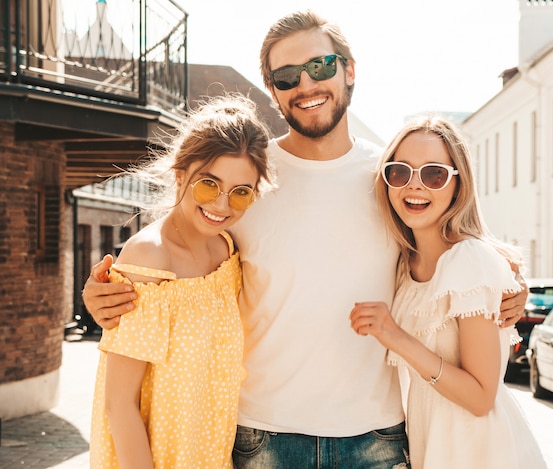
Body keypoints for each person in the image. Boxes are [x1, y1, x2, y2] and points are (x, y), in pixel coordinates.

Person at [82, 10, 528, 468]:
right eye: (287, 76)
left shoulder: (391, 179)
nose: (306, 85)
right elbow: (180, 246)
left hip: (376, 437)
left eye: (320, 67)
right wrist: (111, 289)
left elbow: (449, 251)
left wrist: (509, 282)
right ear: (273, 90)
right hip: (263, 438)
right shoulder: (250, 179)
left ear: (348, 69)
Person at [89, 94, 274, 469]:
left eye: (240, 193)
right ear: (180, 173)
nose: (222, 205)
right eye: (209, 184)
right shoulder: (148, 258)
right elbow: (119, 404)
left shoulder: (227, 250)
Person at [350, 116, 546, 468]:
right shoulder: (402, 265)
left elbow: (481, 397)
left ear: (458, 184)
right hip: (433, 445)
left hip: (480, 452)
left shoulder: (470, 261)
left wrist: (393, 335)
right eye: (399, 172)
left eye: (433, 174)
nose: (415, 186)